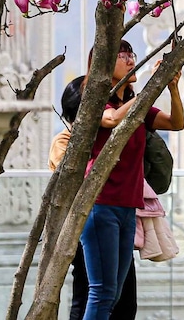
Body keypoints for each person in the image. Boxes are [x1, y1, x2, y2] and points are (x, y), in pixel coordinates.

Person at [80, 40, 184, 320]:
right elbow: (111, 119)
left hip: (128, 207)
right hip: (100, 205)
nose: (130, 59)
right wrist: (153, 84)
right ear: (102, 62)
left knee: (113, 293)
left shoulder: (135, 107)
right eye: (122, 55)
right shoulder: (94, 99)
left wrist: (171, 87)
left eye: (131, 54)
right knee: (101, 291)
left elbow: (176, 123)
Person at [49, 75, 137, 320]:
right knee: (91, 294)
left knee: (121, 298)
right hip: (88, 223)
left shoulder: (104, 136)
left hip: (114, 215)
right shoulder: (65, 140)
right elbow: (72, 181)